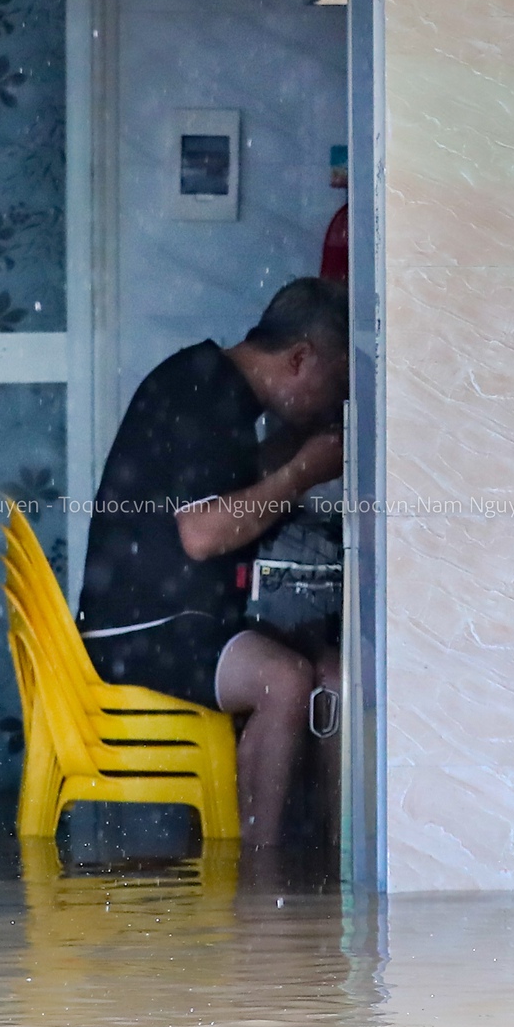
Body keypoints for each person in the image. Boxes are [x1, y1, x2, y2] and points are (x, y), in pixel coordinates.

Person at [78, 278, 349, 847]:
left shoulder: (211, 382)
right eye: (338, 383)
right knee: (285, 680)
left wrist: (292, 459)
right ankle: (260, 870)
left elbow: (232, 487)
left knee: (333, 675)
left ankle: (334, 861)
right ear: (301, 358)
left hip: (178, 617)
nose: (336, 402)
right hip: (139, 629)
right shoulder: (204, 396)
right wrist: (303, 472)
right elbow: (203, 535)